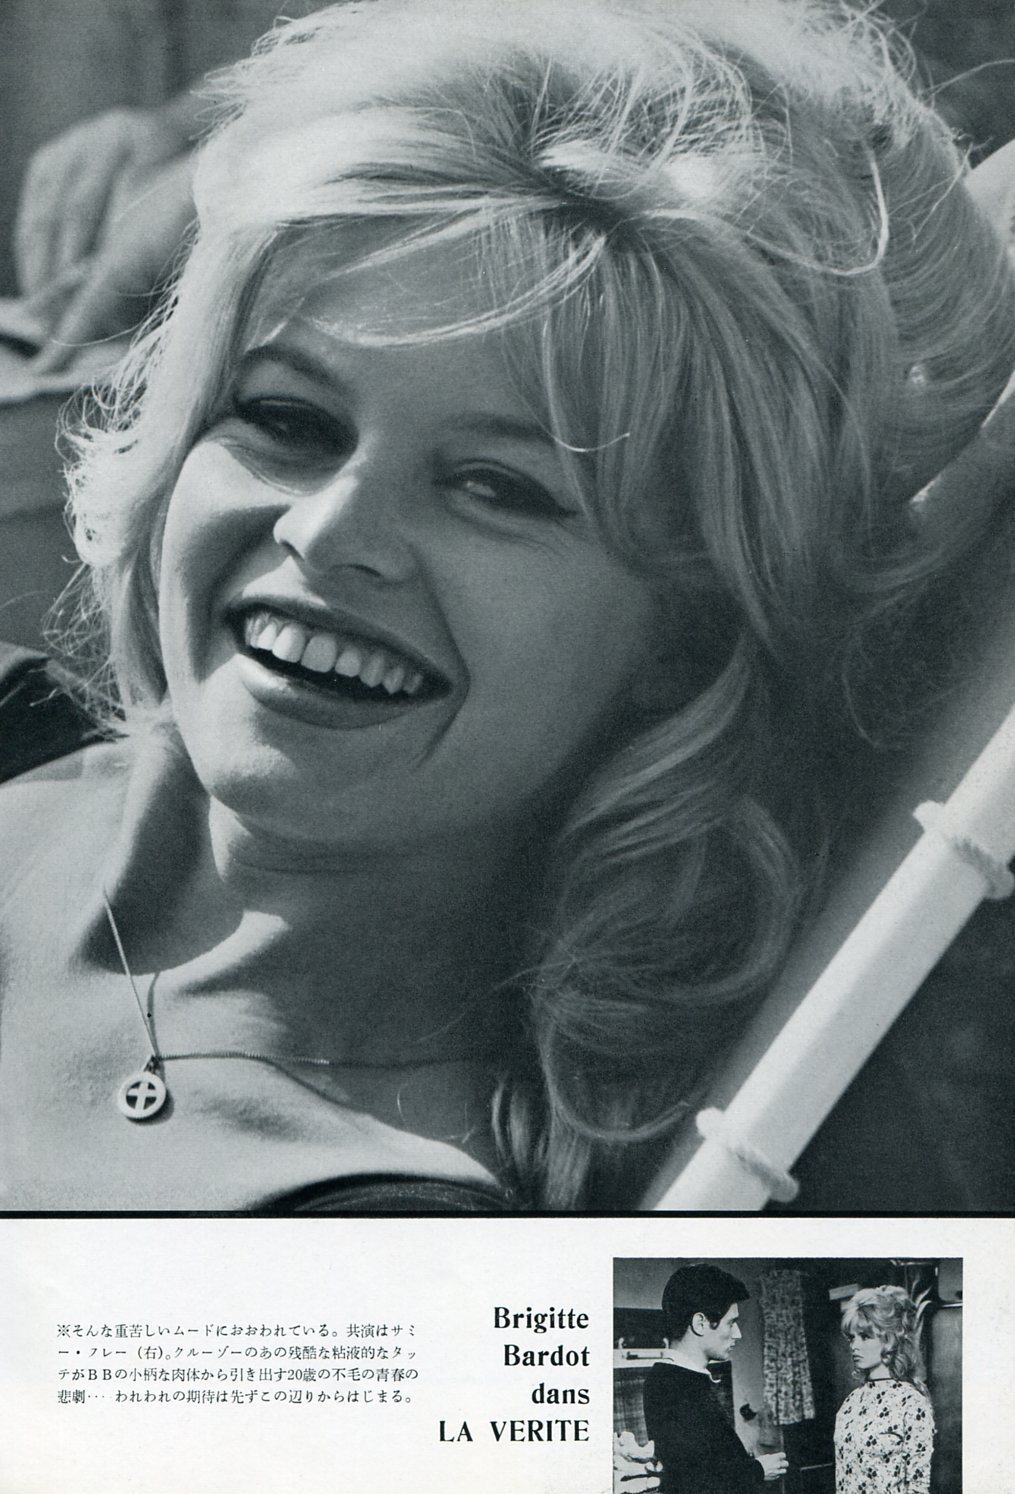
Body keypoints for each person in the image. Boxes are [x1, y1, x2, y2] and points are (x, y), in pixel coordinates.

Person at [0, 0, 1013, 1212]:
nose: (330, 533)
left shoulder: (391, 1233)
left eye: (497, 487)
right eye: (286, 419)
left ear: (688, 633)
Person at [643, 1265, 788, 1492]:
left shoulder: (677, 1378)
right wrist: (756, 1471)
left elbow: (704, 1465)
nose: (737, 1333)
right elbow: (691, 1483)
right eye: (731, 1323)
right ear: (700, 1323)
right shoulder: (672, 1385)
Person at [835, 1286, 934, 1493]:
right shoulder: (850, 1402)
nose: (854, 1346)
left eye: (864, 1336)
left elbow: (918, 1486)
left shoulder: (911, 1402)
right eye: (852, 1338)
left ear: (888, 1338)